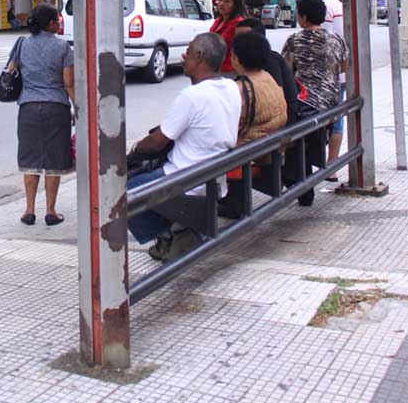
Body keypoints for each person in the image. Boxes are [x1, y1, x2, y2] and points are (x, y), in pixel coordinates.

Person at [127, 32, 241, 261]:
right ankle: (178, 230)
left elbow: (158, 141)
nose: (183, 57)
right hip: (213, 178)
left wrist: (133, 151)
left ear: (199, 57)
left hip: (185, 179)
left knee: (121, 192)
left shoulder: (192, 96)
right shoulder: (230, 88)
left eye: (187, 52)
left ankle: (170, 234)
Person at [7, 3, 74, 226]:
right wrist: (78, 107)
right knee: (53, 160)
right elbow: (68, 83)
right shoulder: (63, 47)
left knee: (31, 160)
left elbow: (10, 71)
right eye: (57, 20)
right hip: (56, 108)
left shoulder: (22, 43)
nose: (59, 23)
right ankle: (51, 211)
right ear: (49, 24)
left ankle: (29, 210)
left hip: (28, 108)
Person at [217, 30, 287, 219]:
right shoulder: (268, 78)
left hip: (248, 153)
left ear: (237, 59)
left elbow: (222, 128)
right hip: (268, 146)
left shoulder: (241, 89)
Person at [282, 0, 348, 184]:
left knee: (294, 138)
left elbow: (287, 71)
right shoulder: (337, 40)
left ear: (303, 17)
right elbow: (344, 67)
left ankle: (298, 180)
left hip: (304, 103)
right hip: (331, 102)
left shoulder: (295, 39)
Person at [306, 0, 345, 175]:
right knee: (336, 118)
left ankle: (328, 166)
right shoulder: (337, 5)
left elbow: (323, 42)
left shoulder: (325, 7)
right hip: (337, 75)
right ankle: (332, 165)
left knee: (326, 119)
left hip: (325, 77)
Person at [235, 18, 301, 123]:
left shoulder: (270, 60)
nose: (237, 42)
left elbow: (275, 100)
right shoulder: (247, 60)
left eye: (243, 37)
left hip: (284, 122)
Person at [209, 0, 248, 75]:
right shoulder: (218, 20)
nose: (222, 4)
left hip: (230, 69)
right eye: (220, 0)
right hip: (215, 67)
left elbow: (221, 43)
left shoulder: (238, 23)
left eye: (227, 1)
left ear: (235, 5)